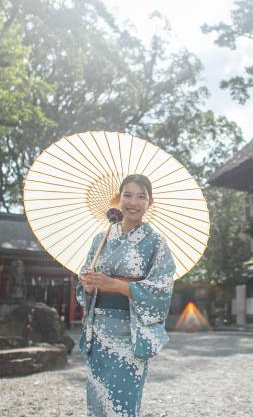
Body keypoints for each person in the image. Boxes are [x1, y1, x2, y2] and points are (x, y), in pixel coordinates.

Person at [77, 174, 176, 417]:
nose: (133, 202)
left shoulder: (155, 242)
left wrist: (116, 285)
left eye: (141, 196)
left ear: (149, 202)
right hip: (99, 328)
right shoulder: (101, 239)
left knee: (122, 401)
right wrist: (88, 286)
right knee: (98, 400)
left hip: (130, 332)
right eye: (128, 195)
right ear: (118, 199)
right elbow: (84, 286)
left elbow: (161, 289)